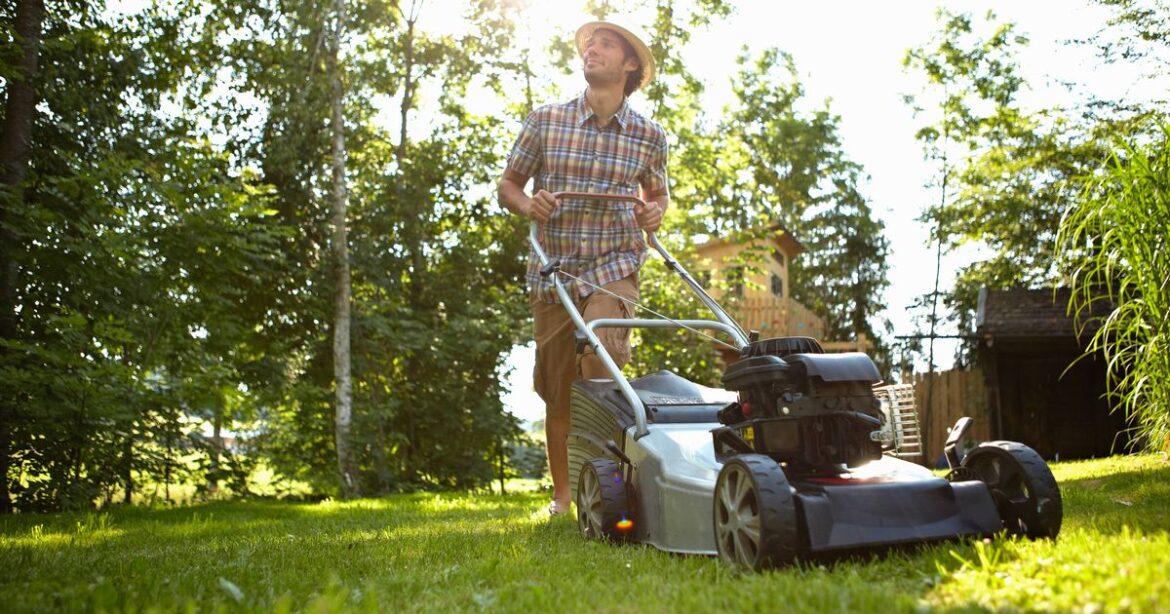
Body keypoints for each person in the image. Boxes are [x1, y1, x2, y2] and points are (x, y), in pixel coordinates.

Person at [497, 20, 670, 516]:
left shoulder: (649, 135)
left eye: (606, 43)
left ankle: (612, 485)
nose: (592, 48)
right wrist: (529, 205)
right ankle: (565, 496)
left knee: (600, 355)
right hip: (553, 270)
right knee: (560, 391)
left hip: (615, 260)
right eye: (589, 43)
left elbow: (657, 194)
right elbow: (508, 185)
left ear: (630, 64)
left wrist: (654, 211)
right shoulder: (546, 120)